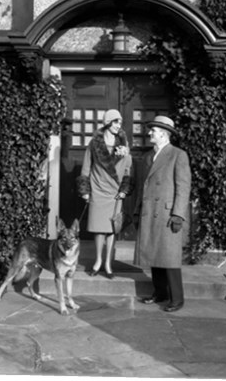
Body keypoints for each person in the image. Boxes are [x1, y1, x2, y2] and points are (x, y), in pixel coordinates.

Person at [133, 115, 191, 312]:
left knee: (170, 258)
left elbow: (183, 187)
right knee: (153, 256)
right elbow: (144, 186)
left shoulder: (178, 155)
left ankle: (177, 299)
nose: (149, 133)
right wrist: (137, 210)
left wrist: (178, 215)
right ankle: (160, 293)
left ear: (164, 135)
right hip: (150, 212)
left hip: (167, 215)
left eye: (154, 131)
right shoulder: (148, 156)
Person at [77, 109, 133, 279]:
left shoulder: (123, 143)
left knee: (111, 229)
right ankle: (98, 261)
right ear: (108, 122)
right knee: (98, 228)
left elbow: (128, 170)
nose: (118, 126)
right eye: (115, 122)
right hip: (98, 189)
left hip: (115, 193)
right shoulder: (94, 143)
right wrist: (85, 191)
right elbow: (86, 167)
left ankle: (108, 263)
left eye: (120, 123)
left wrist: (124, 190)